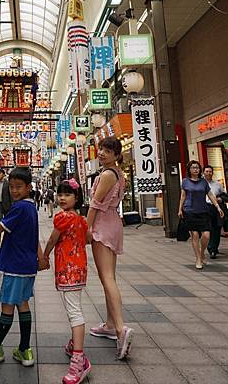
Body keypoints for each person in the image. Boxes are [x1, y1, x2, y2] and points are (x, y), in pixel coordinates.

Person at [0, 167, 47, 367]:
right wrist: (41, 259)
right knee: (22, 304)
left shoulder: (20, 207)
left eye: (19, 187)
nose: (14, 191)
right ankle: (24, 350)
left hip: (15, 265)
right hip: (27, 266)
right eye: (11, 187)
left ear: (29, 187)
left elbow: (2, 226)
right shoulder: (31, 208)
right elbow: (34, 236)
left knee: (7, 306)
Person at [86, 136, 133, 360]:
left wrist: (86, 228)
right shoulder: (118, 173)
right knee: (109, 277)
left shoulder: (106, 174)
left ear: (116, 154)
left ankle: (120, 329)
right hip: (113, 222)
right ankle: (110, 324)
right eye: (101, 149)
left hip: (103, 225)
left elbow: (95, 204)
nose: (102, 153)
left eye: (108, 150)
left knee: (107, 278)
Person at [43, 178, 91, 384]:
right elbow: (88, 238)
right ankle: (74, 344)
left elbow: (53, 239)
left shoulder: (62, 218)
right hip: (79, 269)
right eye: (60, 194)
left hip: (68, 270)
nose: (62, 198)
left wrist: (44, 256)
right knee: (74, 307)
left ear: (76, 197)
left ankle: (79, 361)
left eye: (67, 194)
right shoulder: (81, 219)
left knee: (74, 313)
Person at [178, 160, 224, 269]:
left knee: (206, 235)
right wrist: (180, 209)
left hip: (203, 211)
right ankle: (198, 258)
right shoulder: (185, 181)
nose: (195, 169)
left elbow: (210, 195)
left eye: (197, 168)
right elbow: (183, 196)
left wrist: (217, 207)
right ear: (189, 169)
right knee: (195, 235)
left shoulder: (203, 182)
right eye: (193, 168)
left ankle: (202, 252)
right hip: (190, 211)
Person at [204, 165, 226, 259]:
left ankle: (213, 249)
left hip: (216, 208)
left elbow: (225, 195)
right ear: (203, 173)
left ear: (212, 173)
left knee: (216, 229)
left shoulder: (217, 184)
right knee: (208, 229)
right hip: (205, 208)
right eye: (207, 171)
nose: (208, 173)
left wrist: (220, 199)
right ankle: (210, 247)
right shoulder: (201, 184)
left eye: (210, 171)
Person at [0, 168, 12, 244]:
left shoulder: (8, 183)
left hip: (7, 205)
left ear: (3, 174)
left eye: (0, 173)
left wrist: (12, 205)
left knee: (8, 222)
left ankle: (8, 238)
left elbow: (10, 195)